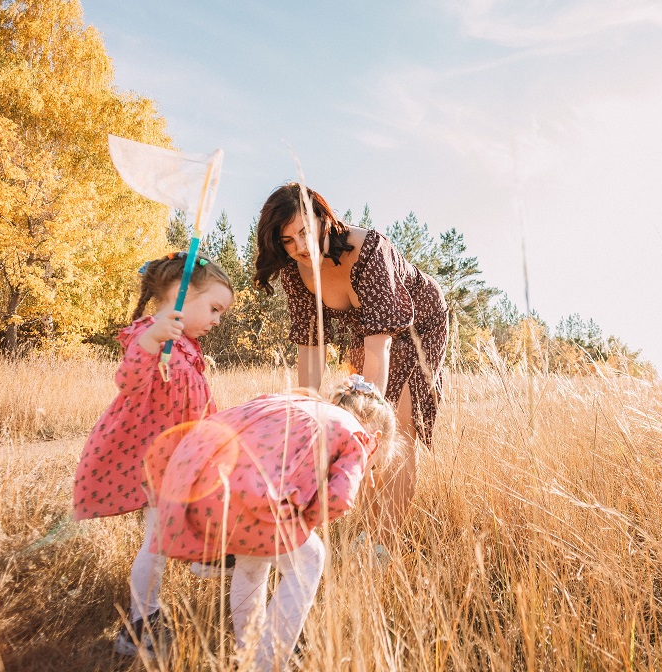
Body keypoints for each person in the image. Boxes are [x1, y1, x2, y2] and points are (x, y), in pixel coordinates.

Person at [151, 378, 397, 670]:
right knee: (310, 559)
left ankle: (249, 651)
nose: (369, 472)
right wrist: (305, 521)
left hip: (195, 478)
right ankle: (268, 663)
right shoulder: (357, 435)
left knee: (254, 562)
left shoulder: (301, 404)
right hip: (244, 498)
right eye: (374, 465)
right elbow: (339, 499)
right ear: (376, 436)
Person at [253, 183, 449, 538]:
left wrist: (366, 415)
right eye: (288, 241)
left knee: (393, 426)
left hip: (417, 325)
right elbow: (309, 347)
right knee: (358, 438)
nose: (300, 247)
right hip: (367, 331)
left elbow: (379, 349)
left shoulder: (370, 250)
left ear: (323, 218)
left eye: (304, 232)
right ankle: (369, 527)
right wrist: (304, 415)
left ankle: (383, 540)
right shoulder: (296, 274)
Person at [71, 251, 234, 657]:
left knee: (181, 523)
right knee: (157, 542)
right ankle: (140, 622)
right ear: (180, 294)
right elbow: (127, 379)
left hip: (181, 455)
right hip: (150, 457)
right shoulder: (152, 335)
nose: (216, 320)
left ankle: (206, 554)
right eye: (213, 308)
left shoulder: (187, 345)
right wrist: (152, 338)